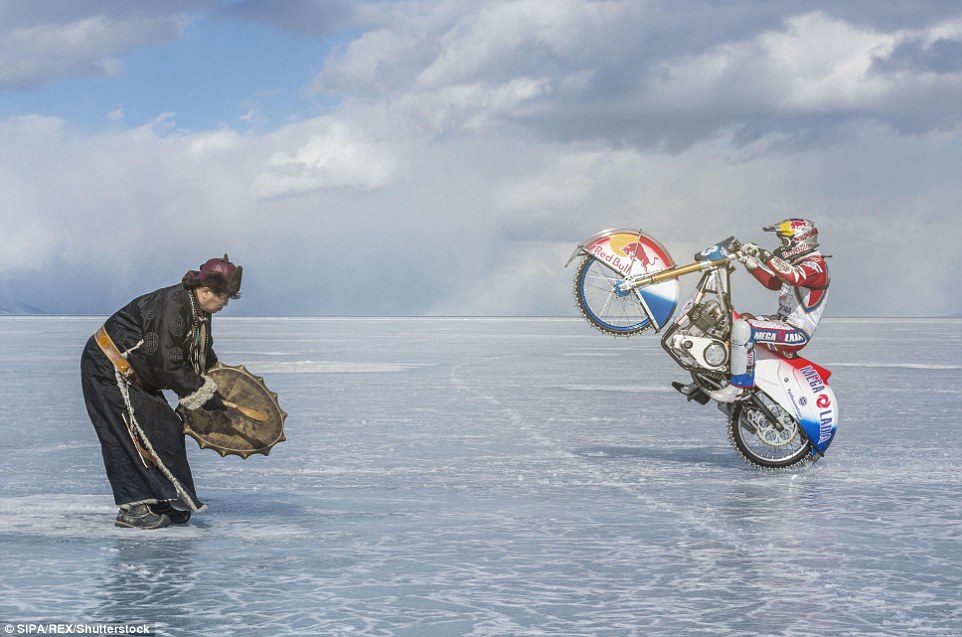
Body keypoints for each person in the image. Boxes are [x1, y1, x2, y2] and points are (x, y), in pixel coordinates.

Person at [81, 255, 242, 529]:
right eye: (223, 297)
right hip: (108, 365)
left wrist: (218, 381)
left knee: (165, 428)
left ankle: (159, 497)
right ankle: (133, 508)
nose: (225, 303)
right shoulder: (174, 306)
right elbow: (168, 360)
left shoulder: (200, 312)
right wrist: (204, 394)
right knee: (126, 433)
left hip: (136, 375)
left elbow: (201, 353)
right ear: (205, 292)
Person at [707, 219, 830, 403]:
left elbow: (793, 276)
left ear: (799, 241)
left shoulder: (816, 266)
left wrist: (763, 254)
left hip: (797, 331)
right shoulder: (799, 263)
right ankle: (713, 380)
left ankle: (739, 387)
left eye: (785, 241)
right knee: (736, 321)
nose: (781, 246)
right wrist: (748, 261)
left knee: (743, 328)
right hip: (781, 322)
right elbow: (773, 283)